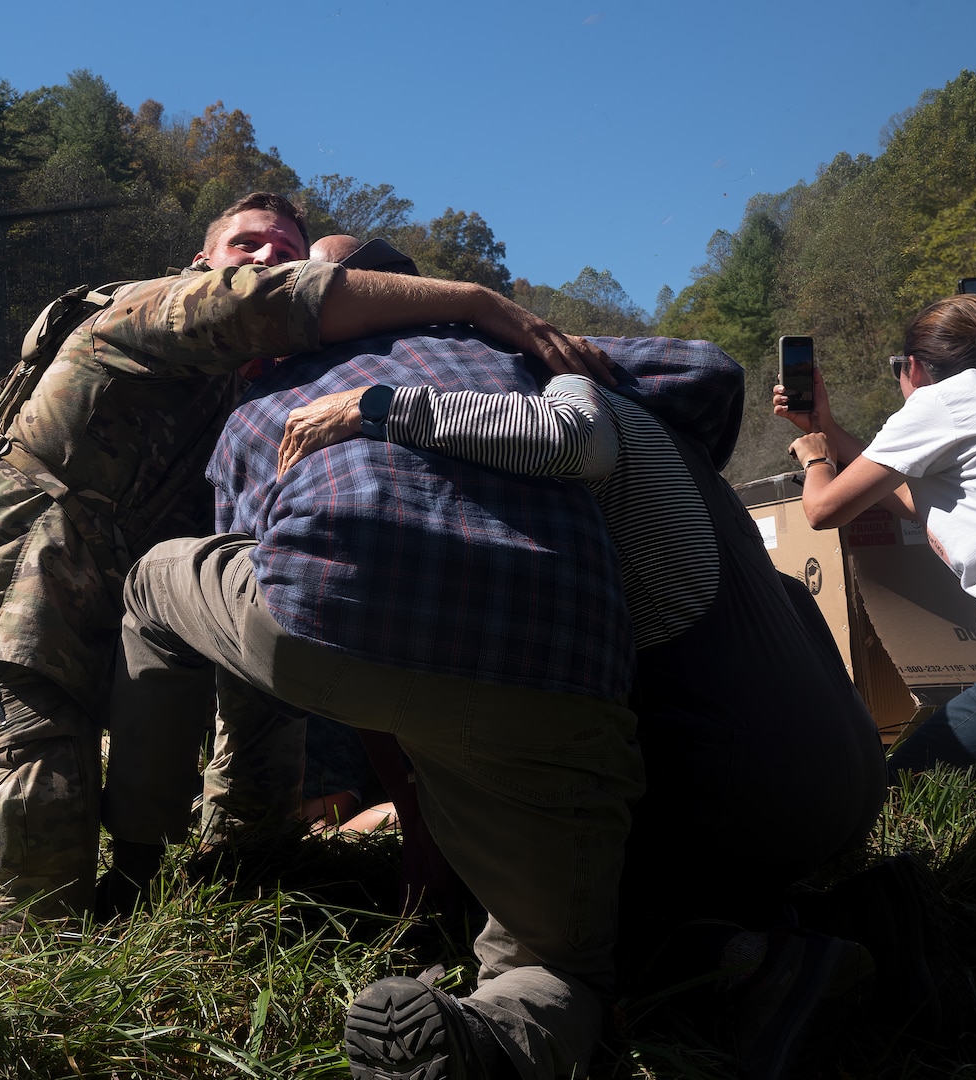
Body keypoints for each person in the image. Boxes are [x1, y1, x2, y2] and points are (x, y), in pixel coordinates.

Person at [0, 193, 613, 950]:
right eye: (249, 244)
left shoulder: (257, 401)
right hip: (21, 623)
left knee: (256, 819)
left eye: (285, 246)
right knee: (34, 931)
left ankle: (221, 859)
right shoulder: (143, 315)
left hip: (141, 642)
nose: (269, 258)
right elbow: (267, 302)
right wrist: (485, 303)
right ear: (202, 261)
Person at [276, 336, 889, 1077]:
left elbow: (569, 437)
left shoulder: (577, 393)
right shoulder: (685, 457)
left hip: (743, 793)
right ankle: (865, 915)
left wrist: (373, 406)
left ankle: (759, 967)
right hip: (848, 783)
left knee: (566, 895)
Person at [101, 318, 644, 1079]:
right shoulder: (515, 363)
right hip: (561, 665)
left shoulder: (263, 396)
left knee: (155, 578)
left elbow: (261, 562)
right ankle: (492, 1037)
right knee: (558, 963)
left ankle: (134, 865)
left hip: (332, 624)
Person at [776, 294, 976, 789]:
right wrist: (828, 431)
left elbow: (823, 510)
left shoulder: (942, 401)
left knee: (895, 795)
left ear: (913, 368)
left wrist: (814, 457)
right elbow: (919, 502)